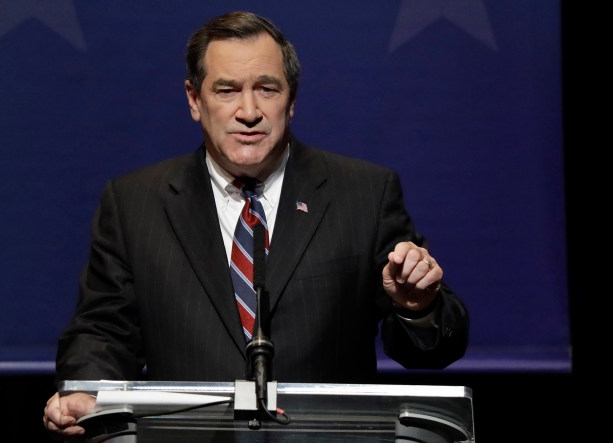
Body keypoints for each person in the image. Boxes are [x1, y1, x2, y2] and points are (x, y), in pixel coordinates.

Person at [43, 10, 469, 438]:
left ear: (292, 99)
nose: (249, 111)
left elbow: (437, 347)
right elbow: (102, 331)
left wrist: (418, 308)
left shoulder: (363, 194)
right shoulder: (135, 203)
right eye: (227, 90)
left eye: (267, 89)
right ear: (194, 100)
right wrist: (88, 389)